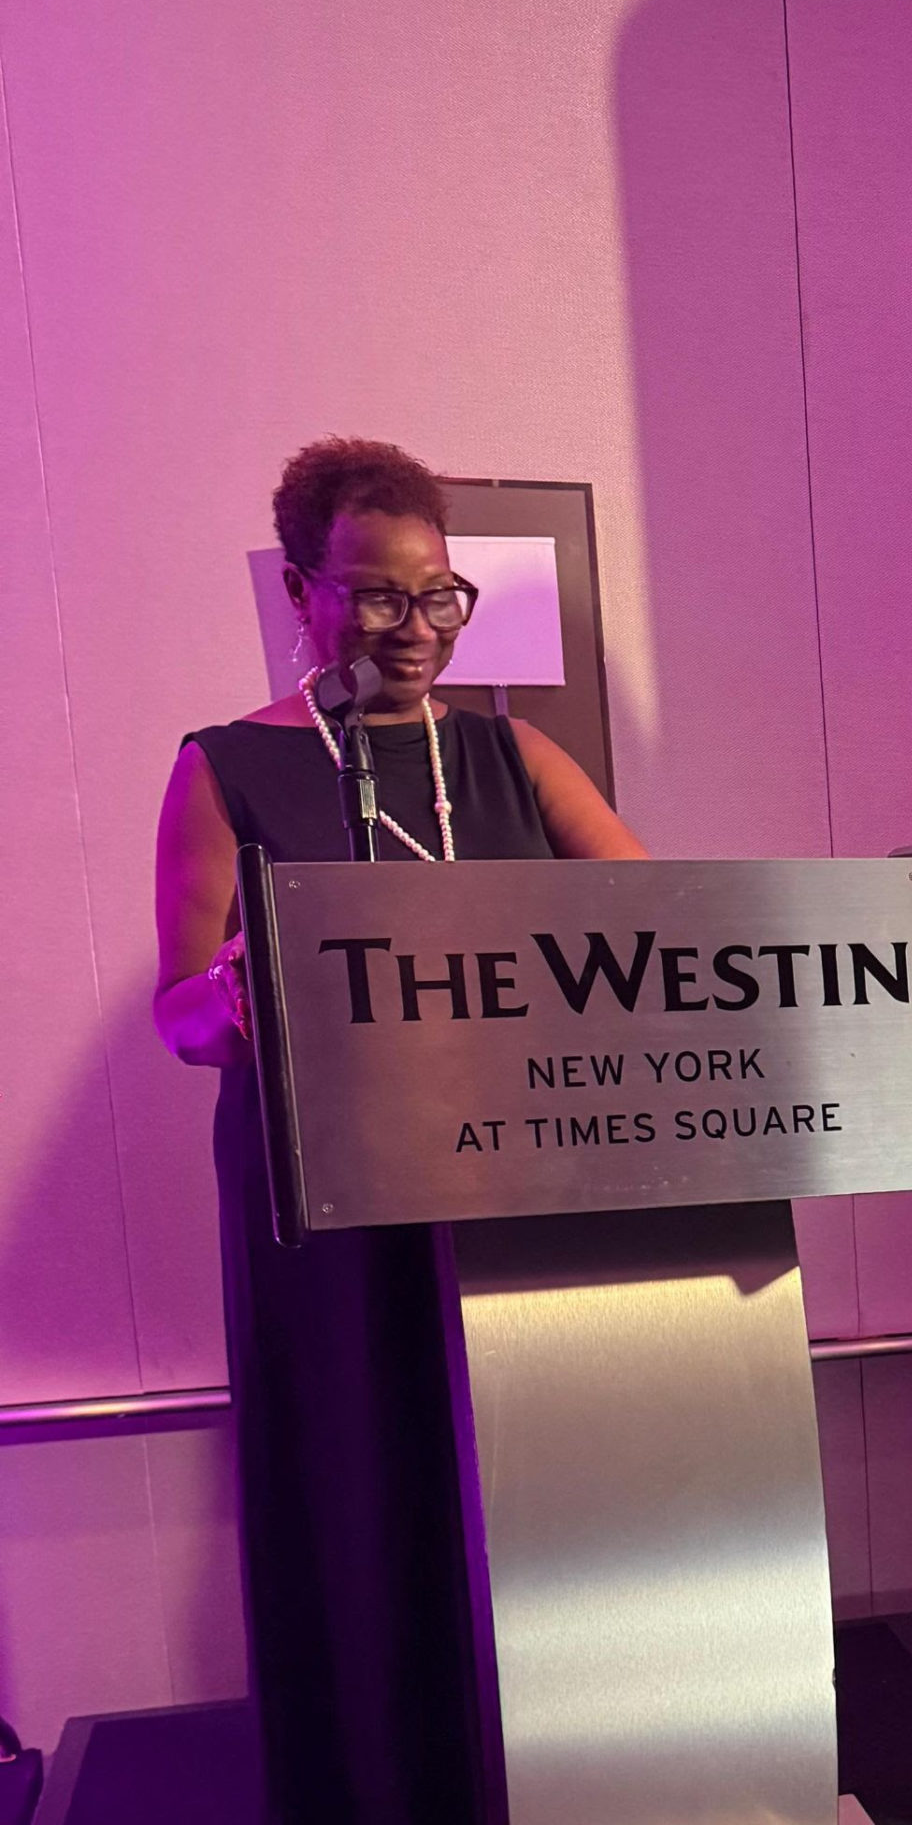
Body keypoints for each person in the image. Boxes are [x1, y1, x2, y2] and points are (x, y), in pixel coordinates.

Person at [152, 437, 641, 1824]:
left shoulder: (509, 753)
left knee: (518, 1488)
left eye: (437, 597)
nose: (414, 629)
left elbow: (657, 935)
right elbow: (178, 1017)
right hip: (323, 1210)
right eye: (375, 596)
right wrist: (237, 999)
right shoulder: (225, 768)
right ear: (302, 592)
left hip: (510, 1181)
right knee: (362, 1491)